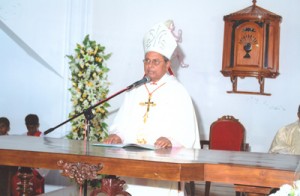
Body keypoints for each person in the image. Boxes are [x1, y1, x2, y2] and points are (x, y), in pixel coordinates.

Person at [103, 20, 200, 195]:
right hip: (131, 162)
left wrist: (171, 140)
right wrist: (117, 135)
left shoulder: (178, 91)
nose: (149, 66)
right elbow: (122, 122)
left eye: (155, 62)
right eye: (147, 61)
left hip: (162, 164)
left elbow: (187, 132)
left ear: (167, 64)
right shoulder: (135, 90)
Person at [11, 114, 45, 195]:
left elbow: (43, 157)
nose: (30, 129)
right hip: (23, 168)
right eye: (28, 127)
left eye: (33, 127)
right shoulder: (23, 136)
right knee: (15, 179)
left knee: (32, 181)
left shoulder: (42, 137)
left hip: (37, 170)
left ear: (38, 125)